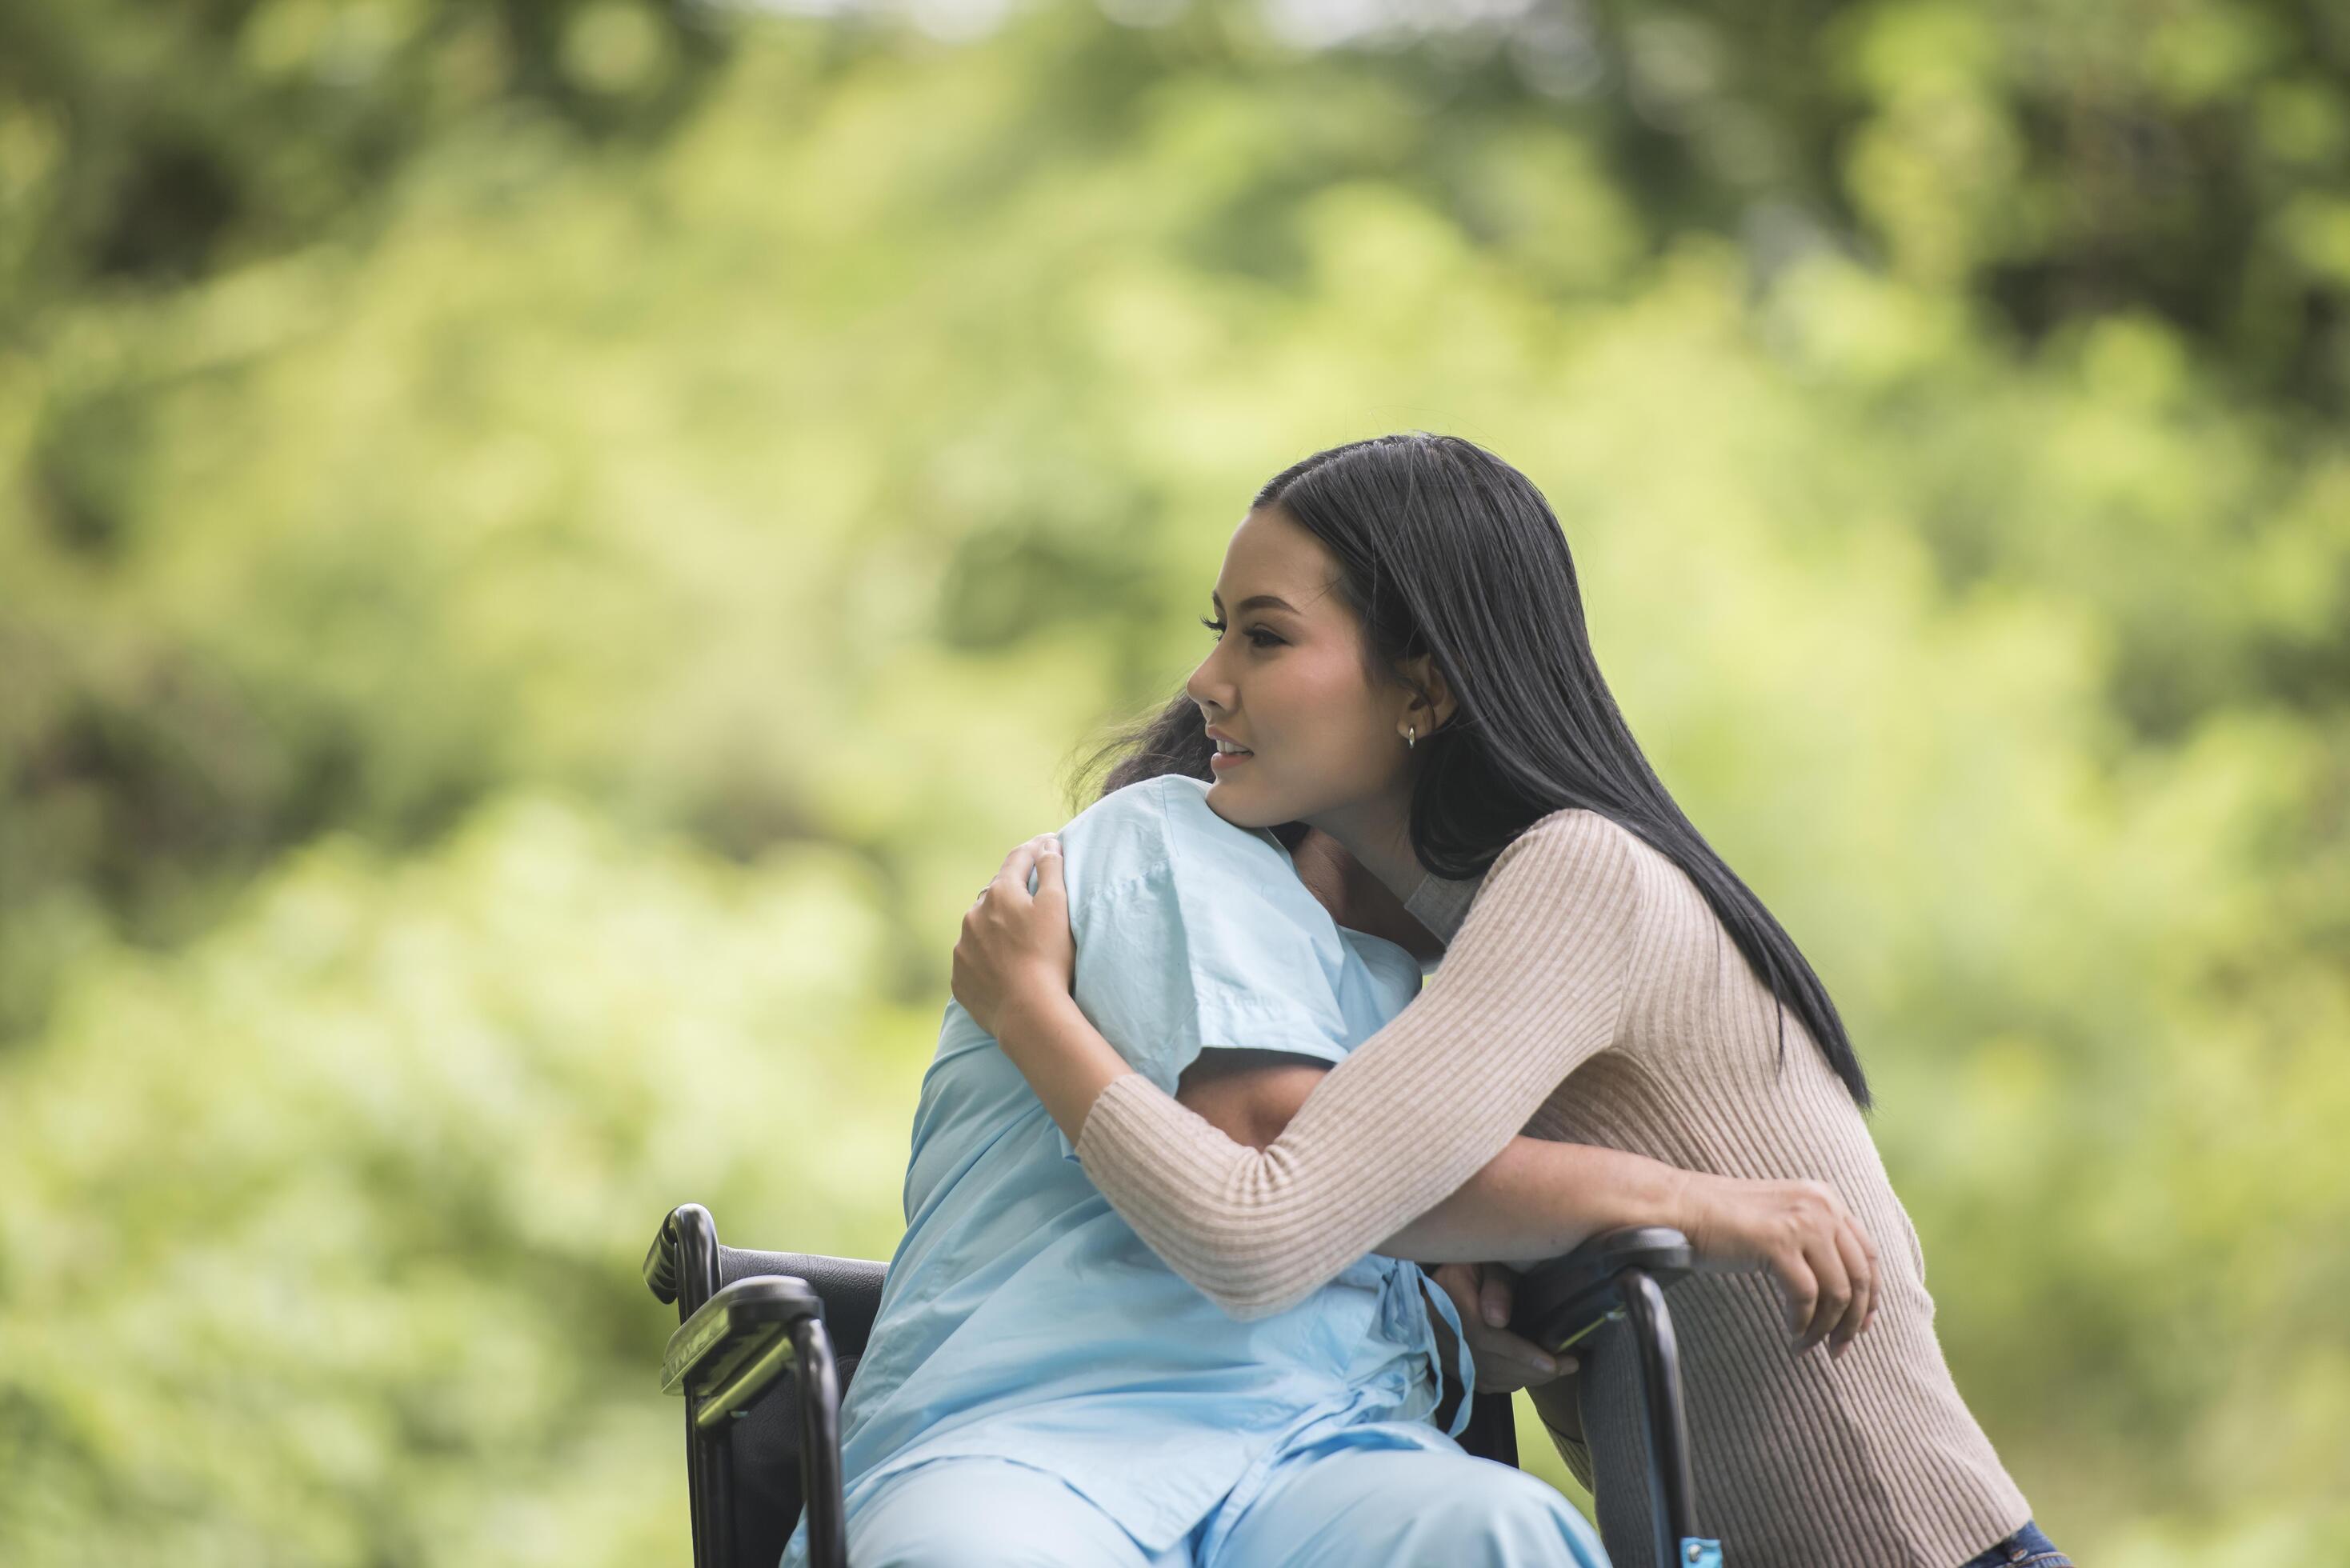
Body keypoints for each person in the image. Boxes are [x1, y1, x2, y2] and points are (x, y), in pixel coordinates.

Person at [952, 432, 2068, 1568]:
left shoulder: (1577, 877)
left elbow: (1259, 1224)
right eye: (1218, 632)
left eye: (1266, 635)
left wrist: (1031, 1008)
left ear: (1423, 686)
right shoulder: (1443, 959)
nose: (1205, 683)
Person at [782, 767, 1884, 1568]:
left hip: (1318, 1454)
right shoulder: (1168, 843)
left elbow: (1390, 1215)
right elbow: (1279, 1150)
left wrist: (1459, 1309)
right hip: (1037, 1440)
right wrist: (1682, 1199)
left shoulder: (1447, 1001)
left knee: (1501, 1534)